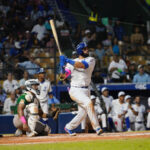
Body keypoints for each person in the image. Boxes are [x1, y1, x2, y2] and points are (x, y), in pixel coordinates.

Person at [59, 42, 102, 136]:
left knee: (83, 113)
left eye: (87, 48)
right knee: (88, 103)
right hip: (75, 90)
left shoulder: (91, 59)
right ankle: (97, 128)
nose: (87, 50)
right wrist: (62, 66)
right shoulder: (71, 62)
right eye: (84, 48)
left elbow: (82, 65)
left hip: (86, 90)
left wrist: (67, 60)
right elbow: (63, 77)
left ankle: (68, 127)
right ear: (79, 51)